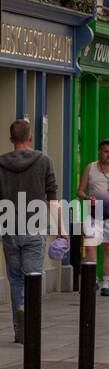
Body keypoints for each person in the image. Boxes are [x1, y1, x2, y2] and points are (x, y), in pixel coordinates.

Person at [0, 119, 56, 342]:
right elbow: (52, 195)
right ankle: (30, 325)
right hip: (35, 227)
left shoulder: (1, 163)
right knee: (32, 278)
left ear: (11, 138)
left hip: (9, 227)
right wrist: (60, 229)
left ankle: (19, 323)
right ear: (30, 137)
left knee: (15, 279)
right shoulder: (43, 160)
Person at [77, 138, 109, 296]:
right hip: (93, 213)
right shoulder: (90, 168)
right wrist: (86, 198)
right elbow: (79, 191)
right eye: (106, 151)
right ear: (100, 151)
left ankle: (106, 283)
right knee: (91, 246)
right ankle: (92, 280)